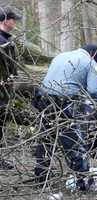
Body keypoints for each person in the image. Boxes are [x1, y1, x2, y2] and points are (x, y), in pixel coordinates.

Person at [33, 44, 97, 190]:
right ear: (93, 56)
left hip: (43, 99)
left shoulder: (60, 56)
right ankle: (83, 181)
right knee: (74, 142)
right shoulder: (89, 62)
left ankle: (41, 176)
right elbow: (94, 90)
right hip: (64, 102)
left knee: (46, 139)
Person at [0, 7, 22, 170]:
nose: (15, 22)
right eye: (13, 19)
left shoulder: (7, 39)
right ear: (6, 20)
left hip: (6, 90)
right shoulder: (1, 41)